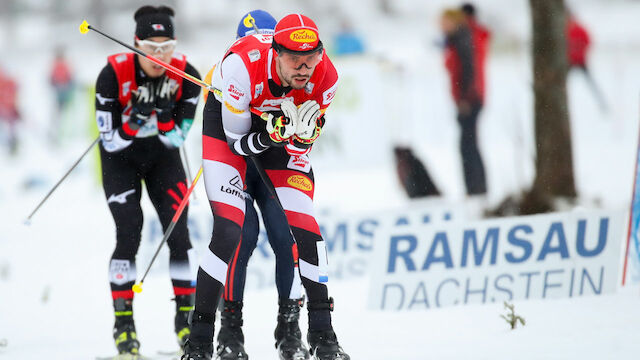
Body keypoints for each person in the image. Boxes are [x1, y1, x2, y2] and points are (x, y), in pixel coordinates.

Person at [182, 13, 349, 360]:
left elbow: (299, 149)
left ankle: (322, 334)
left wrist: (304, 136)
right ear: (276, 53)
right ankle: (199, 340)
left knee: (305, 229)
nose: (304, 69)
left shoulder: (327, 76)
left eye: (311, 59)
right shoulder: (243, 66)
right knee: (231, 230)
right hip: (233, 131)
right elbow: (237, 143)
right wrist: (271, 134)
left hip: (277, 132)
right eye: (293, 60)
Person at [201, 10, 310, 360]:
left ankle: (289, 328)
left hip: (271, 164)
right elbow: (221, 131)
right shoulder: (230, 69)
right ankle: (230, 330)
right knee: (240, 238)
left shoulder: (292, 70)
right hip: (240, 161)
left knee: (287, 235)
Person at [94, 5, 201, 356]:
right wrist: (135, 120)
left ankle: (185, 322)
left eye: (166, 47)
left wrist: (167, 118)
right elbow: (110, 141)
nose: (159, 57)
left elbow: (176, 140)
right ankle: (124, 326)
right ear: (136, 45)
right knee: (129, 234)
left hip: (163, 159)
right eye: (151, 49)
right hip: (120, 160)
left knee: (178, 234)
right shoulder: (112, 74)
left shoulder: (187, 74)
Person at [441, 7, 488, 196]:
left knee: (467, 144)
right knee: (470, 142)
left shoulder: (463, 37)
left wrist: (464, 98)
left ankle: (475, 189)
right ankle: (477, 187)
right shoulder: (465, 36)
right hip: (473, 96)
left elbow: (468, 69)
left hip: (470, 98)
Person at [49, 47, 74, 144]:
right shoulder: (58, 64)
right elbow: (51, 78)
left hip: (64, 92)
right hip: (60, 93)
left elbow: (70, 77)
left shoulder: (62, 64)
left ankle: (63, 132)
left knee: (64, 113)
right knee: (61, 113)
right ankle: (59, 132)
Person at [0, 66, 20, 155]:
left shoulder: (8, 82)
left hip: (8, 109)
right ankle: (10, 143)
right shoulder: (8, 82)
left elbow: (15, 89)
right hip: (5, 109)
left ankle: (12, 143)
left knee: (11, 127)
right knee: (9, 127)